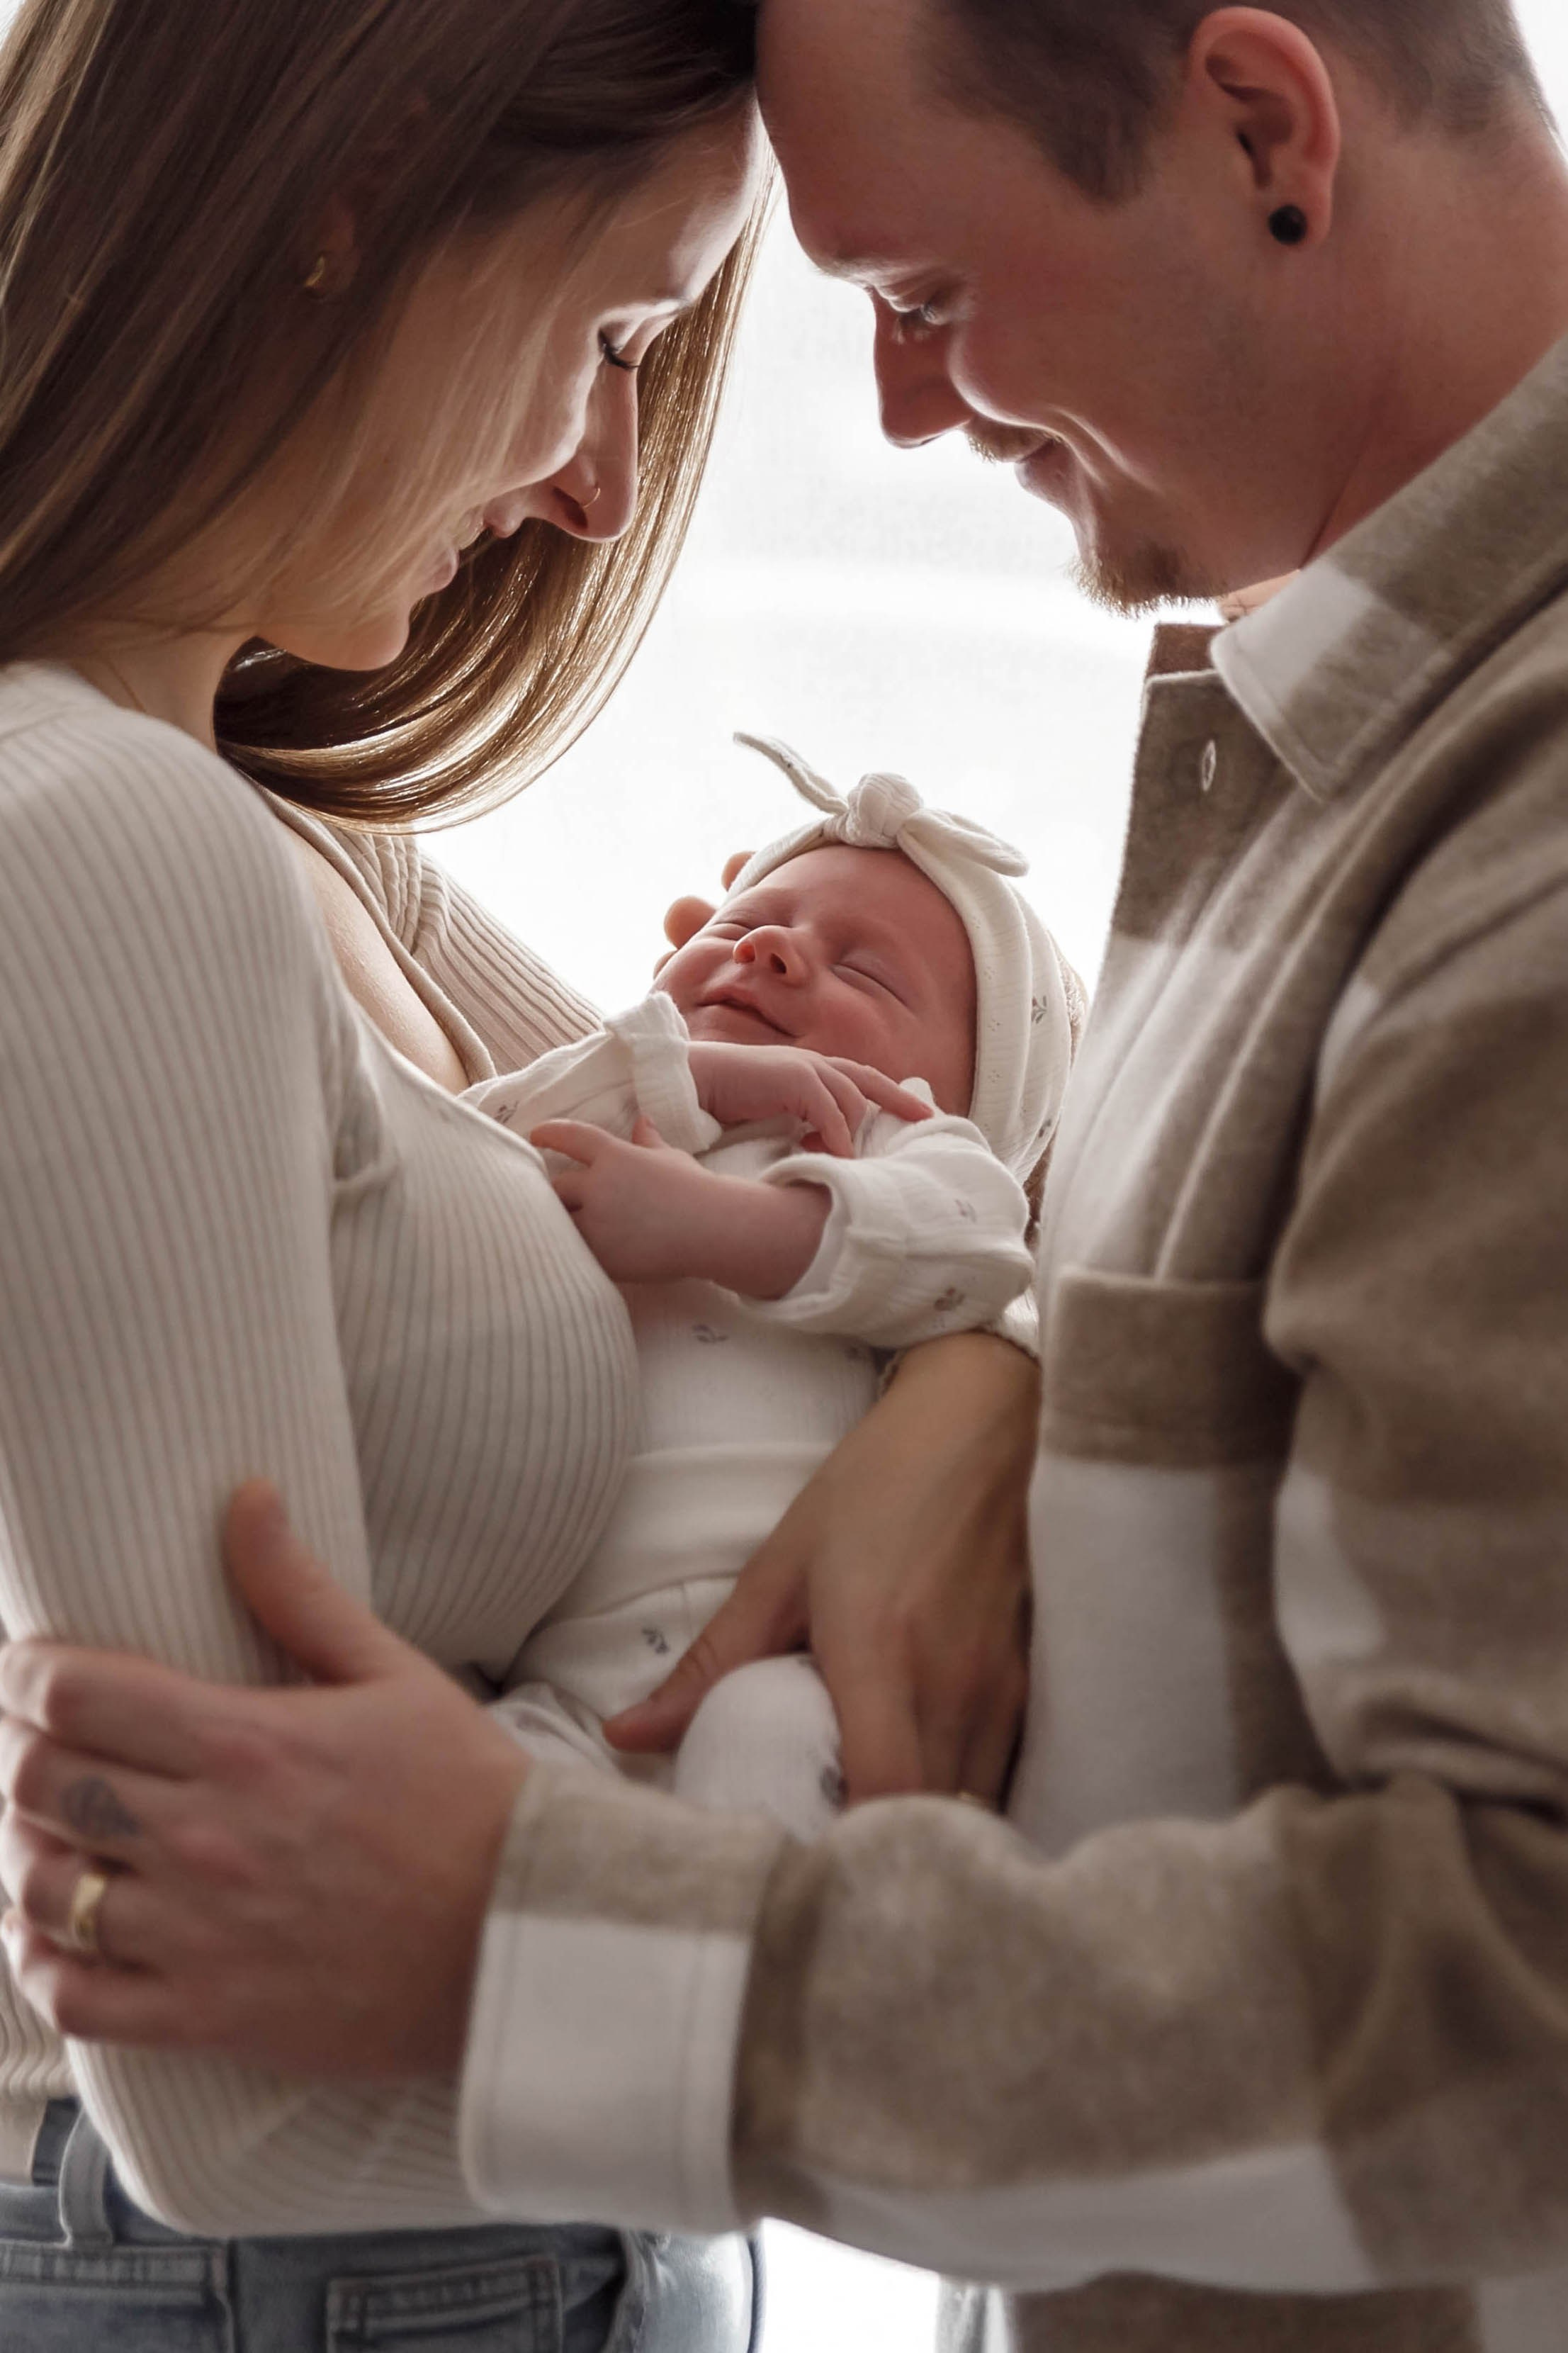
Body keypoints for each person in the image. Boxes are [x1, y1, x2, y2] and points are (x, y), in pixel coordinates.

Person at [16, 0, 1568, 2347]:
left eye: (922, 302)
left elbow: (1520, 1997)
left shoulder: (1501, 848)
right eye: (630, 325)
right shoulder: (1342, 762)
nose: (898, 416)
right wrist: (1006, 1359)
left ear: (1262, 128)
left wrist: (562, 1937)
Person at [470, 739, 1078, 1836]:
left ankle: (760, 1991)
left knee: (761, 1740)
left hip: (802, 1671)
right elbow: (453, 1152)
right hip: (565, 1698)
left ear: (970, 1095)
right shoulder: (618, 1113)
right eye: (737, 928)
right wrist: (670, 1070)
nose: (775, 954)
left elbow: (972, 1248)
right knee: (468, 1800)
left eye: (867, 973)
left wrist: (725, 1223)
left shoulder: (907, 1147)